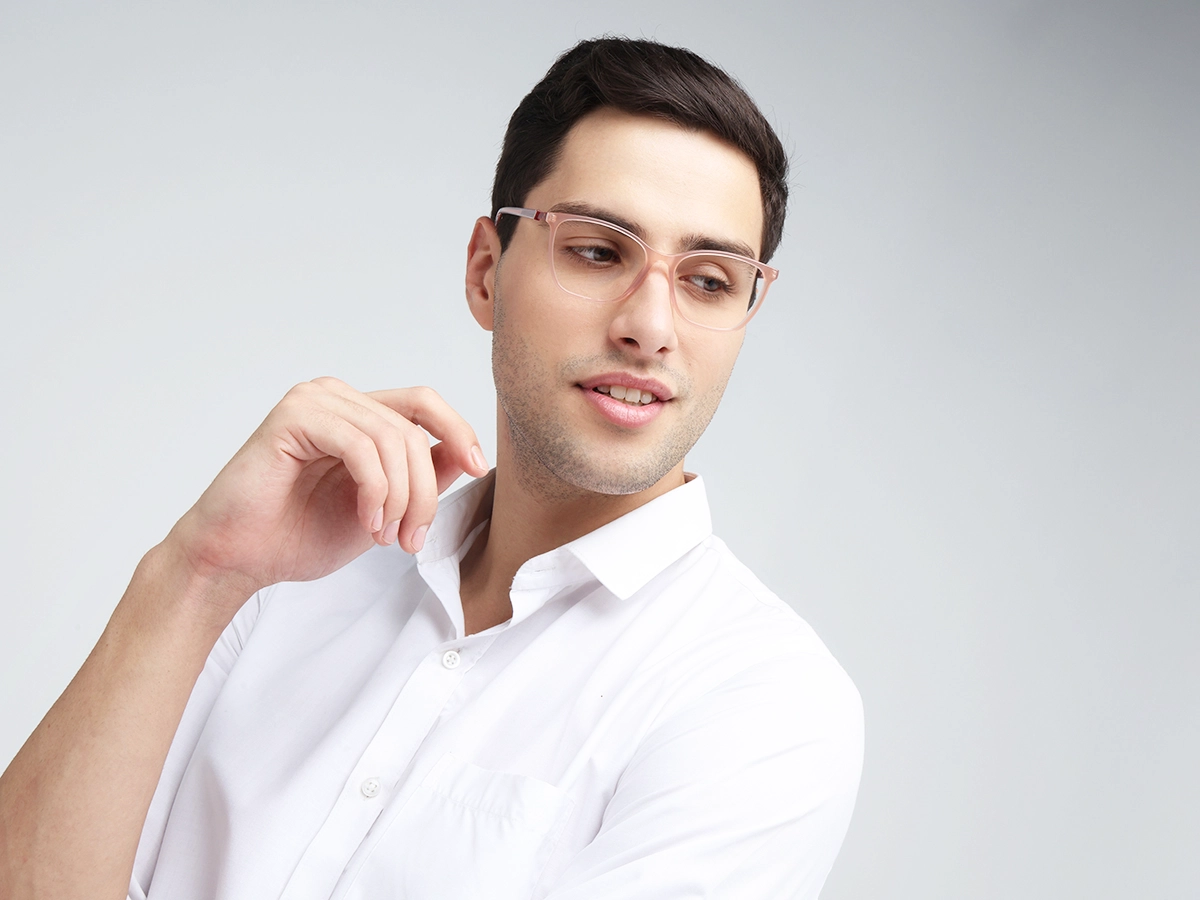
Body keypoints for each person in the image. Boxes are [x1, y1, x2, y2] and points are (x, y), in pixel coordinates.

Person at [0, 38, 863, 899]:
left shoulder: (765, 705)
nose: (651, 327)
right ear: (486, 272)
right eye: (599, 251)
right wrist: (197, 572)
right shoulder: (278, 580)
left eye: (710, 281)